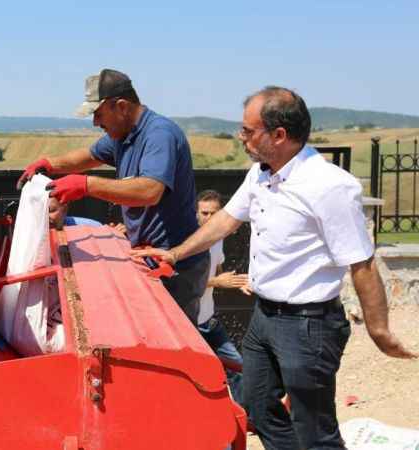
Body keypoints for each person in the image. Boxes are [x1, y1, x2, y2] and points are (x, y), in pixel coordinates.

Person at [132, 86, 417, 449]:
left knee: (315, 428)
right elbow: (225, 221)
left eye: (248, 131)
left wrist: (380, 330)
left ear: (279, 135)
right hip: (264, 319)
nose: (241, 138)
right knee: (256, 404)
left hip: (308, 325)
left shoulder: (329, 186)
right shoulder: (260, 174)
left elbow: (361, 263)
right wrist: (174, 254)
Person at [17, 68, 208, 324]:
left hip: (177, 263)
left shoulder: (159, 135)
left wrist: (86, 185)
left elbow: (150, 191)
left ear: (121, 106)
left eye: (98, 114)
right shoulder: (122, 135)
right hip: (149, 253)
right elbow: (87, 157)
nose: (96, 122)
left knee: (176, 339)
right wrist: (48, 164)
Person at [194, 189, 248, 403]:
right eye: (204, 213)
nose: (208, 218)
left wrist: (237, 282)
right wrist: (218, 281)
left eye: (213, 213)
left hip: (208, 319)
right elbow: (181, 284)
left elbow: (218, 271)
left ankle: (247, 417)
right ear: (196, 213)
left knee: (237, 366)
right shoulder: (186, 242)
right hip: (189, 325)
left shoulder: (218, 238)